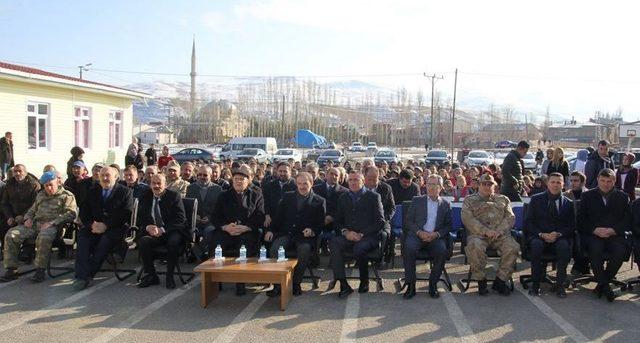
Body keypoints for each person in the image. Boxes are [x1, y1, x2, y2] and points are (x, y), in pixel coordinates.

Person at [0, 172, 76, 283]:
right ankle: (11, 269)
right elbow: (32, 210)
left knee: (43, 236)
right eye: (46, 186)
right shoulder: (41, 195)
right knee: (12, 234)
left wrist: (53, 222)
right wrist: (28, 219)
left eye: (51, 185)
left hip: (53, 227)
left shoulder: (67, 196)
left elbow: (71, 214)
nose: (49, 188)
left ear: (58, 182)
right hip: (36, 224)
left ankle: (40, 270)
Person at [264, 172, 326, 297]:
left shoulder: (319, 201)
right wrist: (270, 230)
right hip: (287, 233)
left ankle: (296, 283)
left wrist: (312, 230)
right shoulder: (288, 197)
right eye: (299, 184)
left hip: (304, 237)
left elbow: (320, 223)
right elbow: (278, 217)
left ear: (311, 184)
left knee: (304, 249)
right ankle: (277, 284)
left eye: (305, 184)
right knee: (275, 248)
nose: (302, 186)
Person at [74, 167, 133, 290]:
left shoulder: (125, 192)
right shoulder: (93, 191)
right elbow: (84, 212)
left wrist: (106, 225)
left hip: (115, 228)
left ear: (116, 177)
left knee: (105, 241)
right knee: (83, 238)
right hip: (94, 226)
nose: (105, 178)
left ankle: (88, 274)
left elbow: (125, 215)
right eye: (102, 176)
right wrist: (91, 225)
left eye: (108, 175)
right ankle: (81, 276)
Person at [211, 165, 265, 296]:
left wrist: (246, 227)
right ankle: (214, 280)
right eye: (236, 179)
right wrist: (225, 227)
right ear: (232, 180)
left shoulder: (256, 194)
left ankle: (240, 282)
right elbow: (215, 217)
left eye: (242, 179)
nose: (239, 181)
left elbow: (260, 216)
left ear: (248, 181)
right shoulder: (223, 195)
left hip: (247, 231)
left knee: (244, 247)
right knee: (216, 243)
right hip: (227, 230)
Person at [462, 173, 519, 296]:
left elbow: (510, 217)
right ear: (478, 185)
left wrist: (499, 230)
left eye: (490, 184)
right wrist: (485, 231)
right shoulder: (469, 200)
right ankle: (481, 281)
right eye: (484, 184)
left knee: (513, 247)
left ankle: (500, 281)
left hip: (500, 235)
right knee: (475, 246)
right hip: (479, 235)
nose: (487, 186)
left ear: (495, 185)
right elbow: (468, 219)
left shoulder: (503, 199)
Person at [330, 170, 385, 298]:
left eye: (356, 180)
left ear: (363, 181)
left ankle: (364, 281)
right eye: (350, 180)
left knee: (359, 248)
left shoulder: (373, 197)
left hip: (368, 236)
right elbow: (337, 221)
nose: (353, 183)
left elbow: (380, 222)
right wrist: (346, 232)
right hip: (349, 235)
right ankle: (343, 284)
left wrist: (361, 234)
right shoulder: (343, 197)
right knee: (334, 243)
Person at [578, 168, 630, 301]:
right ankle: (606, 287)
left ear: (614, 181)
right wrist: (594, 230)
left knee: (620, 251)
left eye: (609, 181)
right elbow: (581, 219)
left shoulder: (623, 197)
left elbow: (627, 220)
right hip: (594, 235)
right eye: (603, 180)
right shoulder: (587, 196)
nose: (606, 184)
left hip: (615, 235)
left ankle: (602, 283)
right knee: (596, 250)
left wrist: (613, 230)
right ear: (598, 180)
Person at [402, 174, 451, 299]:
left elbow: (447, 225)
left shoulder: (445, 204)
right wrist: (419, 232)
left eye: (435, 185)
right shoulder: (417, 200)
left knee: (442, 250)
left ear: (440, 187)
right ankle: (411, 285)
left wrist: (436, 234)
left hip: (435, 237)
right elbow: (408, 221)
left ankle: (433, 284)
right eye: (429, 184)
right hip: (418, 235)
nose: (431, 187)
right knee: (409, 248)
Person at [524, 173, 573, 297]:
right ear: (547, 183)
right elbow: (529, 222)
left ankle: (560, 285)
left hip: (558, 237)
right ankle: (535, 284)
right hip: (539, 236)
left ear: (563, 185)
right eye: (553, 182)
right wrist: (541, 234)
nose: (555, 185)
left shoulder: (568, 203)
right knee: (536, 246)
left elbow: (571, 225)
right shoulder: (536, 199)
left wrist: (558, 234)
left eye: (558, 182)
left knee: (564, 247)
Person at [136, 174, 187, 289]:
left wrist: (162, 230)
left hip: (171, 230)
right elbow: (141, 217)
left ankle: (170, 276)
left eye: (159, 183)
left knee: (173, 242)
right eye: (153, 183)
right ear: (150, 184)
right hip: (153, 231)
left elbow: (180, 219)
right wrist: (147, 226)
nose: (156, 186)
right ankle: (151, 275)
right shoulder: (145, 196)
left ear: (165, 184)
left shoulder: (174, 196)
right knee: (144, 241)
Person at [186, 166, 222, 259]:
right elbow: (188, 207)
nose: (202, 177)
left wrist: (210, 217)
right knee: (188, 232)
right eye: (199, 175)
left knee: (209, 231)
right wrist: (194, 216)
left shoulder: (217, 189)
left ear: (210, 175)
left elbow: (219, 209)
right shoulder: (190, 188)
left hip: (210, 221)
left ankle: (197, 251)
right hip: (195, 222)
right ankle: (199, 253)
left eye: (205, 175)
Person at [263, 162, 297, 229]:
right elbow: (266, 201)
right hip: (272, 219)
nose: (282, 174)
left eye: (285, 171)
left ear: (290, 172)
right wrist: (267, 215)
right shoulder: (270, 185)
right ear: (277, 171)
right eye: (280, 171)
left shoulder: (296, 185)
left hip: (290, 221)